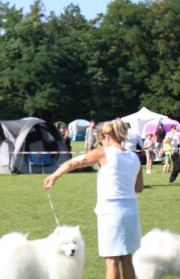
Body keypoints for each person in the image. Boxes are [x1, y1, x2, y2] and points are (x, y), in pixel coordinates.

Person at [44, 118, 143, 279]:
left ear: (107, 136)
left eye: (100, 139)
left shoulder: (104, 153)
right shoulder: (134, 157)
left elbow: (72, 163)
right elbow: (138, 188)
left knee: (111, 261)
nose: (99, 142)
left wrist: (54, 176)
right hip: (131, 210)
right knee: (127, 259)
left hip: (111, 212)